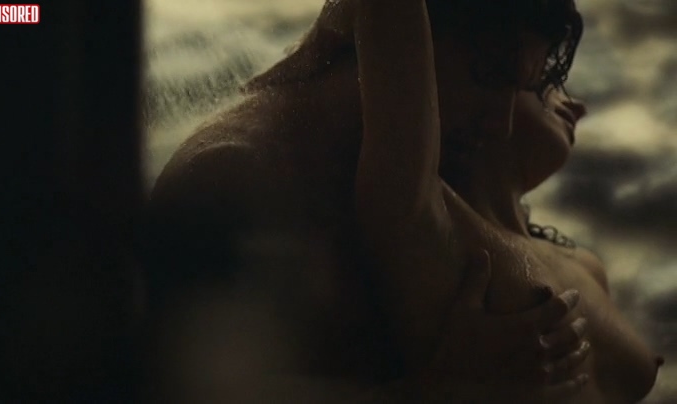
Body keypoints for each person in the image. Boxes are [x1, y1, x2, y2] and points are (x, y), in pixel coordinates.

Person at [141, 0, 661, 402]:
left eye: (519, 89)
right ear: (412, 43)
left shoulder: (430, 178)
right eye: (485, 77)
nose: (498, 123)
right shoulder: (240, 172)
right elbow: (176, 390)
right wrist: (433, 393)